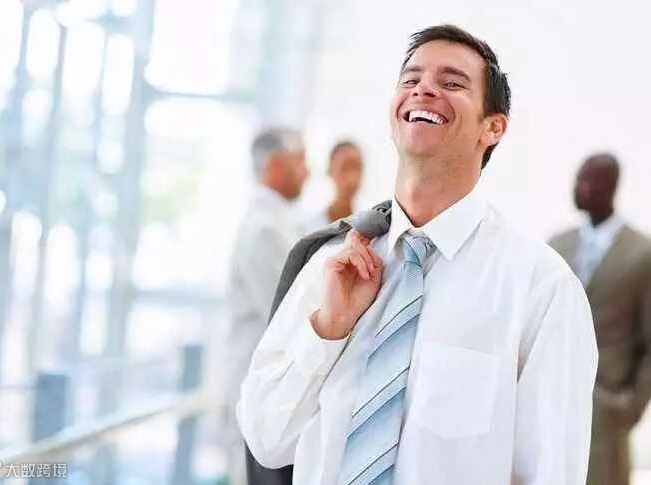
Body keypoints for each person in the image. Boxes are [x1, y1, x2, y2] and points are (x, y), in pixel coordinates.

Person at [238, 24, 598, 485]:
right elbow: (266, 439)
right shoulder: (331, 263)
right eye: (411, 79)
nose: (424, 89)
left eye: (452, 83)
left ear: (493, 127)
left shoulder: (541, 288)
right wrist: (328, 328)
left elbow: (552, 473)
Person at [549, 153, 651, 485]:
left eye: (589, 181)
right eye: (578, 180)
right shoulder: (556, 247)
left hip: (605, 415)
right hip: (548, 401)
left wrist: (627, 408)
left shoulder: (648, 257)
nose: (580, 188)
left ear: (611, 186)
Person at [224, 127, 309, 485]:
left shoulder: (278, 222)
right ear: (275, 166)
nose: (307, 172)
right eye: (299, 161)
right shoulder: (265, 230)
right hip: (259, 389)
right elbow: (288, 315)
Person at [304, 141, 364, 231]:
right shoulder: (310, 227)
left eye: (357, 167)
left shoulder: (371, 227)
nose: (352, 177)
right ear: (330, 171)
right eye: (345, 168)